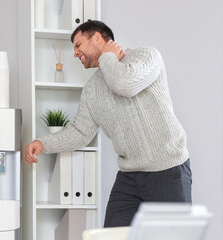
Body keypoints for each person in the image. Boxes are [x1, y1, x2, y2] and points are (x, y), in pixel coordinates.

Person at [25, 20, 192, 227]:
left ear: (96, 38)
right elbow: (80, 133)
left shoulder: (146, 56)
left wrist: (108, 57)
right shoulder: (92, 89)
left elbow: (125, 84)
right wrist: (44, 143)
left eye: (78, 45)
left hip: (168, 170)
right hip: (129, 177)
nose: (75, 53)